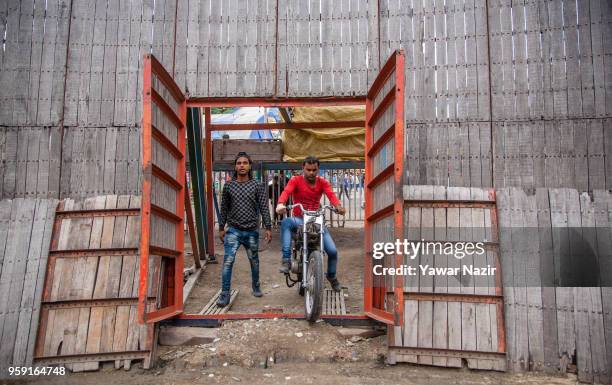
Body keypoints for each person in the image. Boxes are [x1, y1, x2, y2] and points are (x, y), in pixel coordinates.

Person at [275, 156, 346, 292]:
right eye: (308, 170)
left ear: (318, 169)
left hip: (317, 220)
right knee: (285, 222)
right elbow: (286, 192)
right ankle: (286, 259)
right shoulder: (295, 180)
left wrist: (338, 206)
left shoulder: (323, 182)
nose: (311, 173)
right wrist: (280, 204)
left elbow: (331, 195)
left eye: (314, 170)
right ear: (303, 168)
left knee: (332, 251)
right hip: (300, 219)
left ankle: (331, 276)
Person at [217, 152, 272, 306]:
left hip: (251, 231)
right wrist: (221, 227)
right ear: (235, 167)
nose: (242, 165)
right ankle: (225, 293)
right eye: (239, 163)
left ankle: (256, 286)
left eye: (245, 163)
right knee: (228, 261)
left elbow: (263, 207)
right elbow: (224, 208)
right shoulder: (229, 186)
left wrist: (268, 227)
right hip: (233, 230)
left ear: (249, 166)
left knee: (254, 261)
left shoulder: (257, 185)